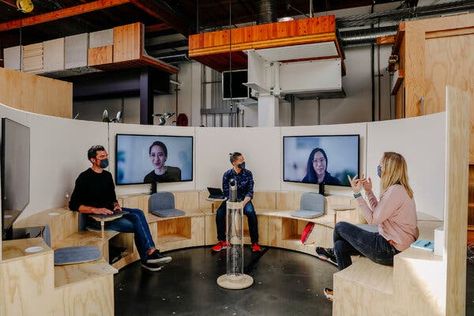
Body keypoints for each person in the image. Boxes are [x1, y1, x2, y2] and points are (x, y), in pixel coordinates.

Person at [315, 152, 418, 301]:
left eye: (381, 165)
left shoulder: (395, 192)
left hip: (389, 249)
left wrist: (357, 194)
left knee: (340, 227)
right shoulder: (399, 189)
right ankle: (345, 290)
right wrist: (368, 191)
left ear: (389, 169)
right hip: (392, 244)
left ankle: (333, 256)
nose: (379, 168)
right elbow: (379, 214)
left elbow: (372, 220)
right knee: (340, 246)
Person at [69, 145, 172, 272]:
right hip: (97, 219)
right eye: (102, 157)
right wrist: (96, 210)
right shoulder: (84, 177)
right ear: (92, 160)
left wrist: (116, 205)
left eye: (106, 155)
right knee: (137, 222)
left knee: (138, 213)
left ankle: (149, 256)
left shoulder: (107, 175)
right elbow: (73, 205)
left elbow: (112, 198)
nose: (105, 158)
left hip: (111, 212)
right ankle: (149, 255)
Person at [212, 152, 262, 252]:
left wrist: (242, 204)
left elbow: (250, 192)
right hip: (231, 200)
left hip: (244, 200)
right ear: (234, 162)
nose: (243, 162)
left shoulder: (248, 173)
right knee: (219, 213)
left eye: (243, 160)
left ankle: (255, 243)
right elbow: (226, 192)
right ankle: (222, 241)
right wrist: (233, 203)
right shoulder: (227, 174)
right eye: (241, 160)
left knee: (251, 213)